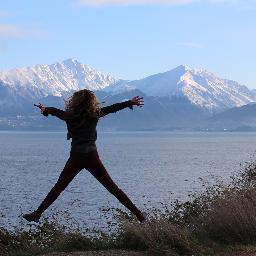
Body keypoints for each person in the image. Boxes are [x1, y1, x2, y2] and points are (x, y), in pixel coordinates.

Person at [23, 89, 145, 223]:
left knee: (59, 186)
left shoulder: (68, 116)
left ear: (74, 101)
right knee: (112, 188)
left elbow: (53, 111)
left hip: (76, 156)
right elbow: (112, 108)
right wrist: (130, 102)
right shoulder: (94, 114)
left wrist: (45, 110)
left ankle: (37, 213)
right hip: (92, 156)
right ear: (91, 102)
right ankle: (138, 214)